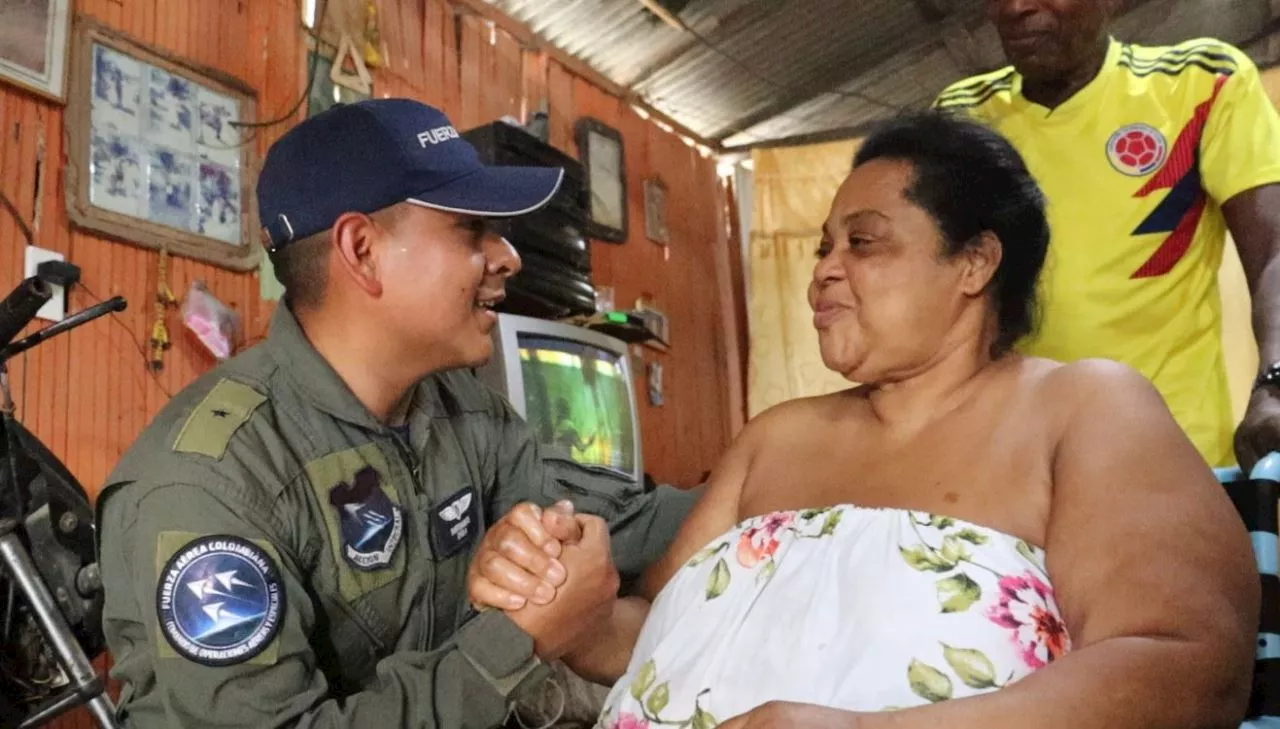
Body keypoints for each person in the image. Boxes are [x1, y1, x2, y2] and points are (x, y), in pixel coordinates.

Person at [468, 111, 1258, 728]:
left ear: (976, 263)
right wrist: (576, 605)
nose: (823, 273)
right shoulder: (775, 437)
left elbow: (1186, 666)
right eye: (821, 249)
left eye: (864, 244)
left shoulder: (1084, 409)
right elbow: (654, 640)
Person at [95, 98, 697, 728]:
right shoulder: (208, 484)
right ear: (362, 251)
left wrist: (771, 468)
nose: (508, 258)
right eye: (471, 228)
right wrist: (520, 642)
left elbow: (613, 525)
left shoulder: (465, 414)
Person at [932, 0, 1280, 470]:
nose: (1016, 7)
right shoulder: (960, 118)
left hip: (1171, 463)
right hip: (1012, 474)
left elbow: (1273, 252)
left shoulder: (1201, 84)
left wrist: (1275, 383)